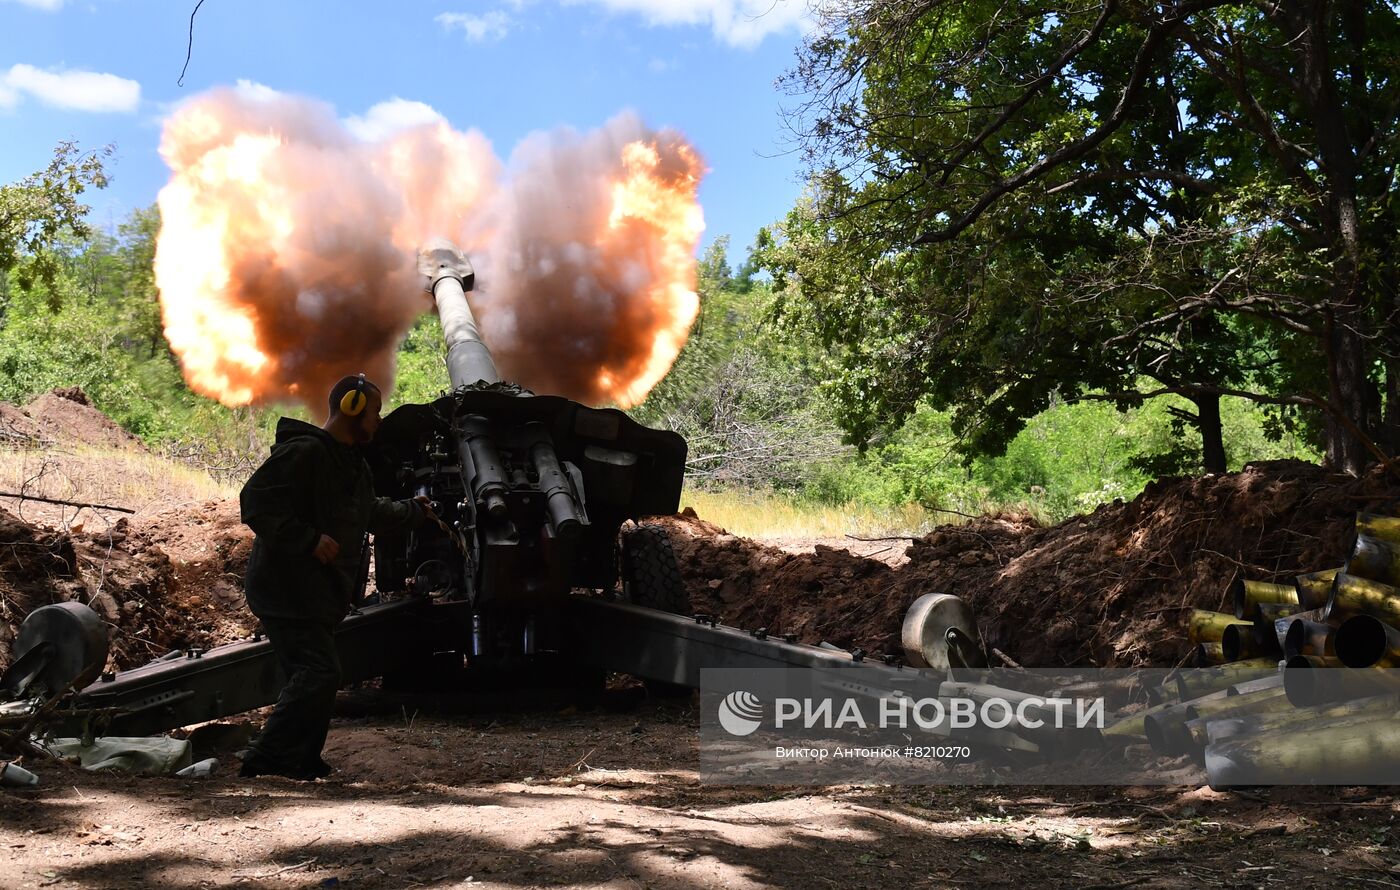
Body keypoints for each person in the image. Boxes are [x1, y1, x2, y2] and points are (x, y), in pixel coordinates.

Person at [238, 374, 432, 780]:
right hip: (285, 589)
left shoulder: (351, 464)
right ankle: (266, 758)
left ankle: (302, 759)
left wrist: (415, 510)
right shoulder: (305, 453)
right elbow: (255, 501)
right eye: (375, 412)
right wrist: (307, 539)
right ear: (352, 408)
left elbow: (371, 513)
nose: (379, 420)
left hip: (315, 593)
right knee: (319, 672)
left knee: (315, 674)